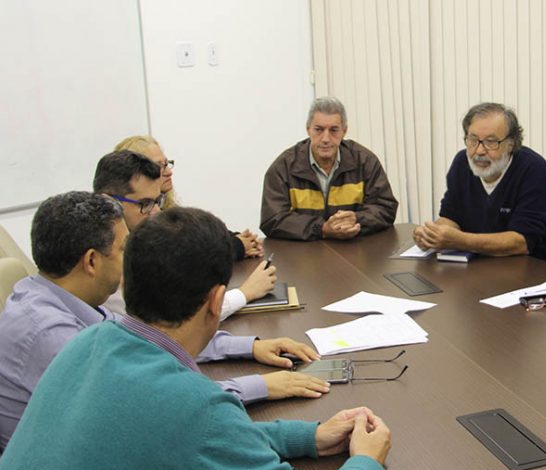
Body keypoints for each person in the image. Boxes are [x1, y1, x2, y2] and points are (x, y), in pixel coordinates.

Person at [0, 206, 391, 470]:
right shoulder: (195, 410)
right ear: (216, 301)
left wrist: (310, 437)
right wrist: (365, 464)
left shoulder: (89, 341)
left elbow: (185, 442)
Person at [0, 192, 329, 449]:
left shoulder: (60, 299)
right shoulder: (50, 334)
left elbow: (148, 338)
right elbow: (154, 408)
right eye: (123, 248)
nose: (129, 257)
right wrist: (261, 386)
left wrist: (249, 347)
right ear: (91, 261)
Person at [94, 150, 273, 320]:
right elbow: (170, 324)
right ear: (109, 201)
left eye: (158, 201)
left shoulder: (141, 243)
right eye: (146, 203)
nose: (156, 211)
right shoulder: (106, 257)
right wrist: (245, 293)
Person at [413, 102, 546, 268]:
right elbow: (451, 217)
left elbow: (521, 242)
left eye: (490, 142)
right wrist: (432, 234)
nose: (479, 151)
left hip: (544, 269)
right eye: (472, 140)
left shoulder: (533, 169)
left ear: (511, 144)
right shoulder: (461, 164)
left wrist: (459, 240)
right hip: (488, 266)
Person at [261, 96, 399, 240]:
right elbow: (272, 218)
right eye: (318, 130)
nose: (326, 138)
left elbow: (385, 207)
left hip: (353, 251)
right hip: (303, 255)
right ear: (308, 129)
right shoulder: (284, 167)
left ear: (344, 131)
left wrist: (356, 220)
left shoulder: (364, 161)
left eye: (334, 130)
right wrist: (322, 228)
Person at [114, 134, 265, 260]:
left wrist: (237, 238)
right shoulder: (134, 219)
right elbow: (188, 257)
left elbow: (199, 236)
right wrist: (237, 245)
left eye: (167, 164)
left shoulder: (167, 207)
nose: (169, 172)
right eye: (159, 166)